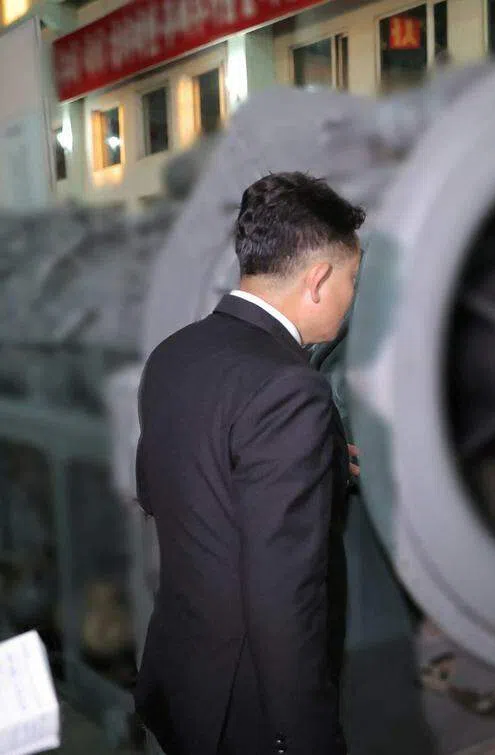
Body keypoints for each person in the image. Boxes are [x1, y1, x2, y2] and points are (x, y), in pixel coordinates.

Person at [133, 171, 364, 755]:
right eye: (352, 280)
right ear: (318, 280)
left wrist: (318, 462)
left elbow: (164, 490)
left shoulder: (174, 354)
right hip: (250, 707)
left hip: (184, 676)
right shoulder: (291, 388)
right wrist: (306, 737)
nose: (351, 297)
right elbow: (285, 595)